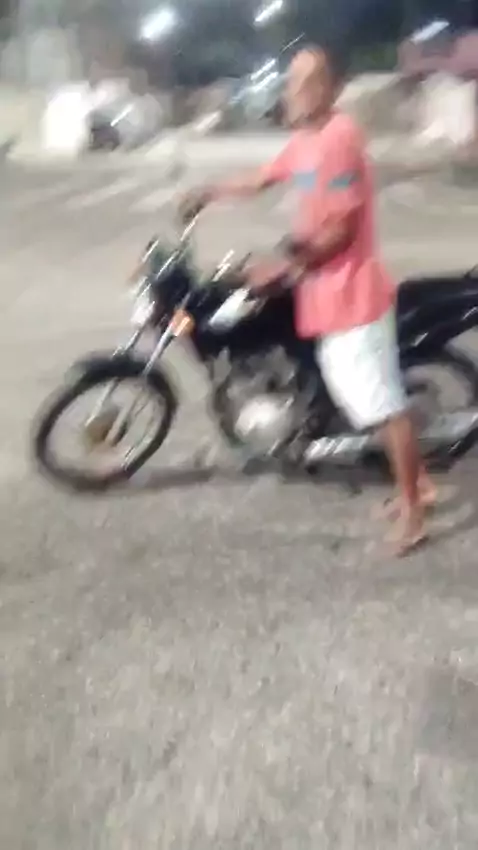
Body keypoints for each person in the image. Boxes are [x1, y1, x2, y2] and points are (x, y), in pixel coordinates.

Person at [182, 44, 436, 556]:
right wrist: (209, 192)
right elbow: (262, 179)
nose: (293, 91)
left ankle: (414, 512)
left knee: (383, 406)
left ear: (331, 89)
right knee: (362, 400)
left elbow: (341, 231)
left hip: (353, 296)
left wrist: (286, 263)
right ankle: (421, 486)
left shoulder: (339, 139)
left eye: (306, 82)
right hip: (326, 297)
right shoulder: (305, 141)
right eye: (291, 81)